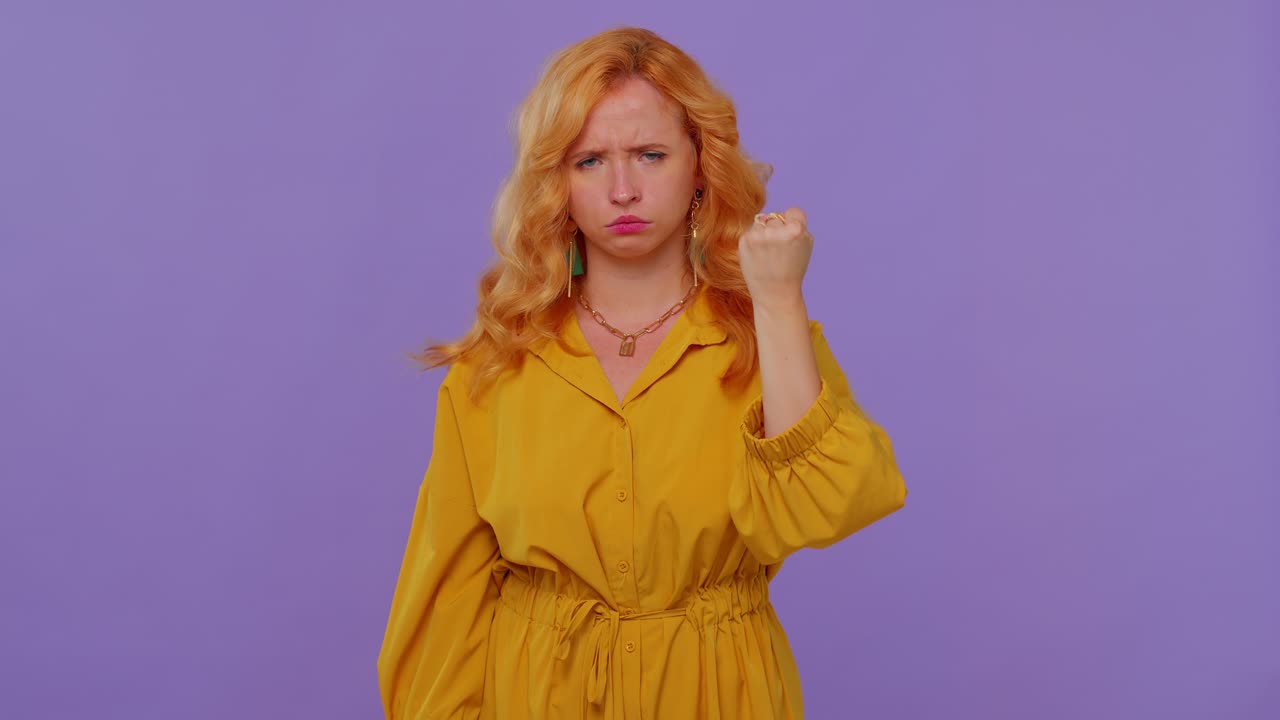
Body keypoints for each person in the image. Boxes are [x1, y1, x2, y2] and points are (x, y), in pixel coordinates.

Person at [377, 26, 907, 720]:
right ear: (556, 182)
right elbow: (446, 595)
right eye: (590, 160)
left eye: (650, 155)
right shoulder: (496, 363)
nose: (622, 189)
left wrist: (776, 299)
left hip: (719, 695)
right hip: (537, 698)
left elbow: (826, 509)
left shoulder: (763, 342)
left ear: (698, 166)